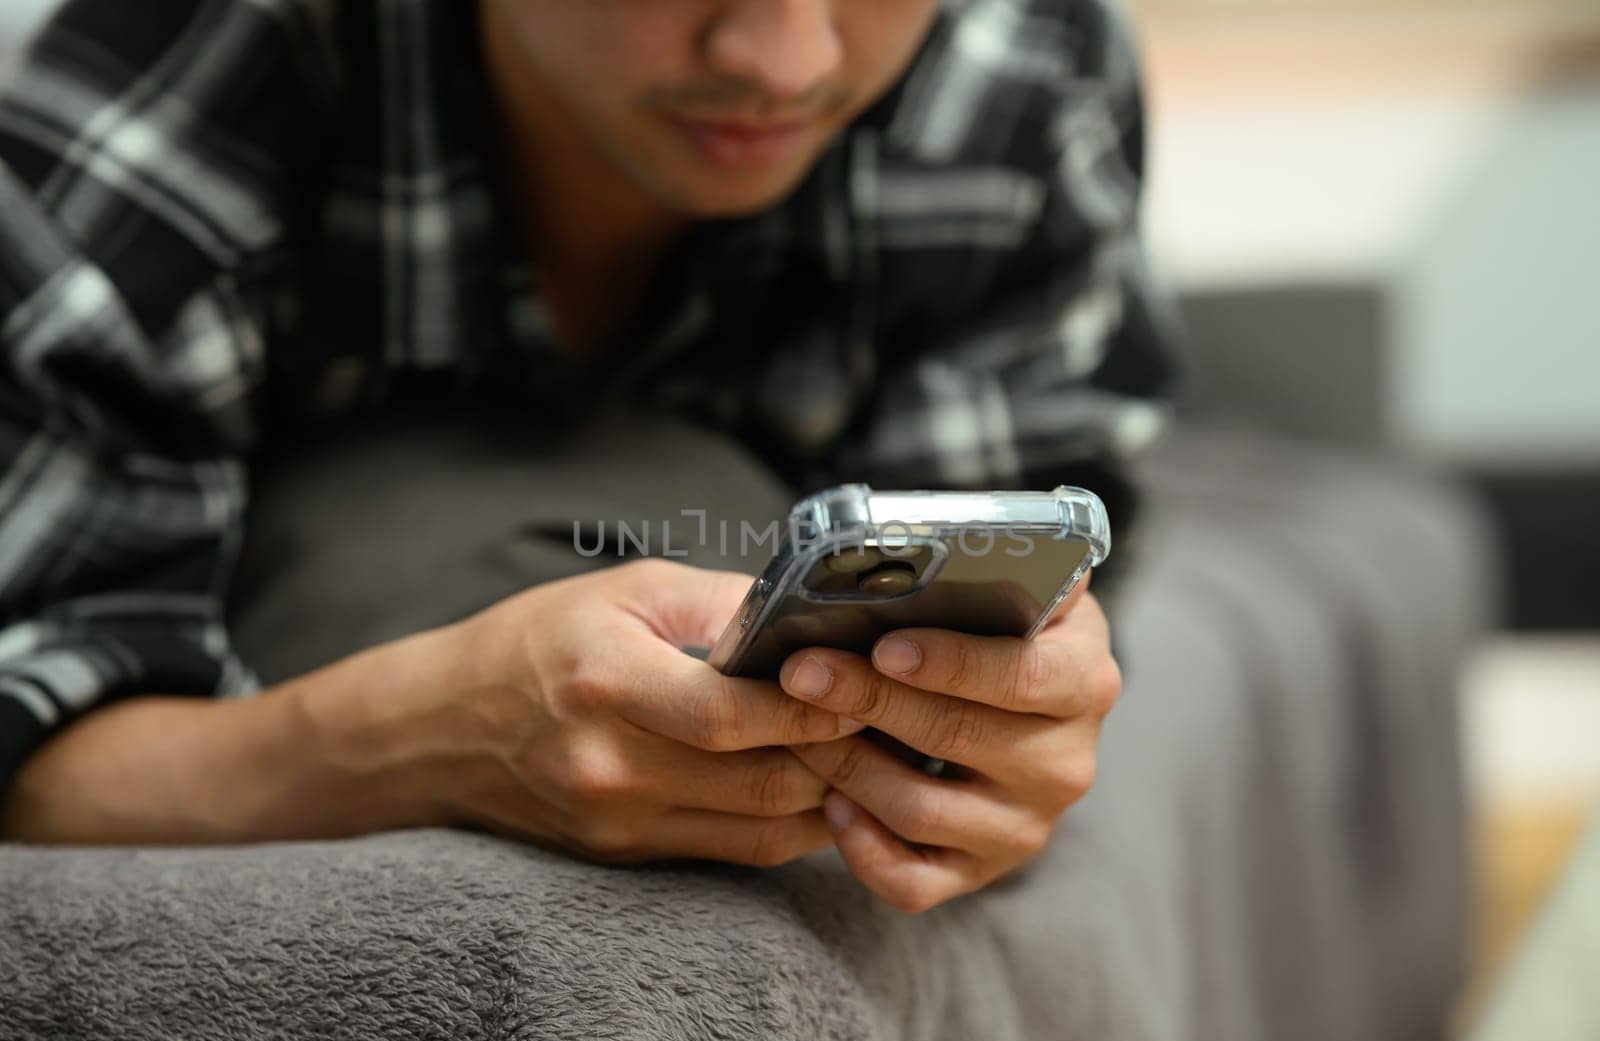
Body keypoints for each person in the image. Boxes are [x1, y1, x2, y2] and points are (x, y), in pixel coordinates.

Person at [0, 0, 1175, 913]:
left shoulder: (1024, 68)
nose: (787, 61)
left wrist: (1004, 735)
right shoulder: (187, 66)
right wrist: (416, 735)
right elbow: (31, 733)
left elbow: (1029, 605)